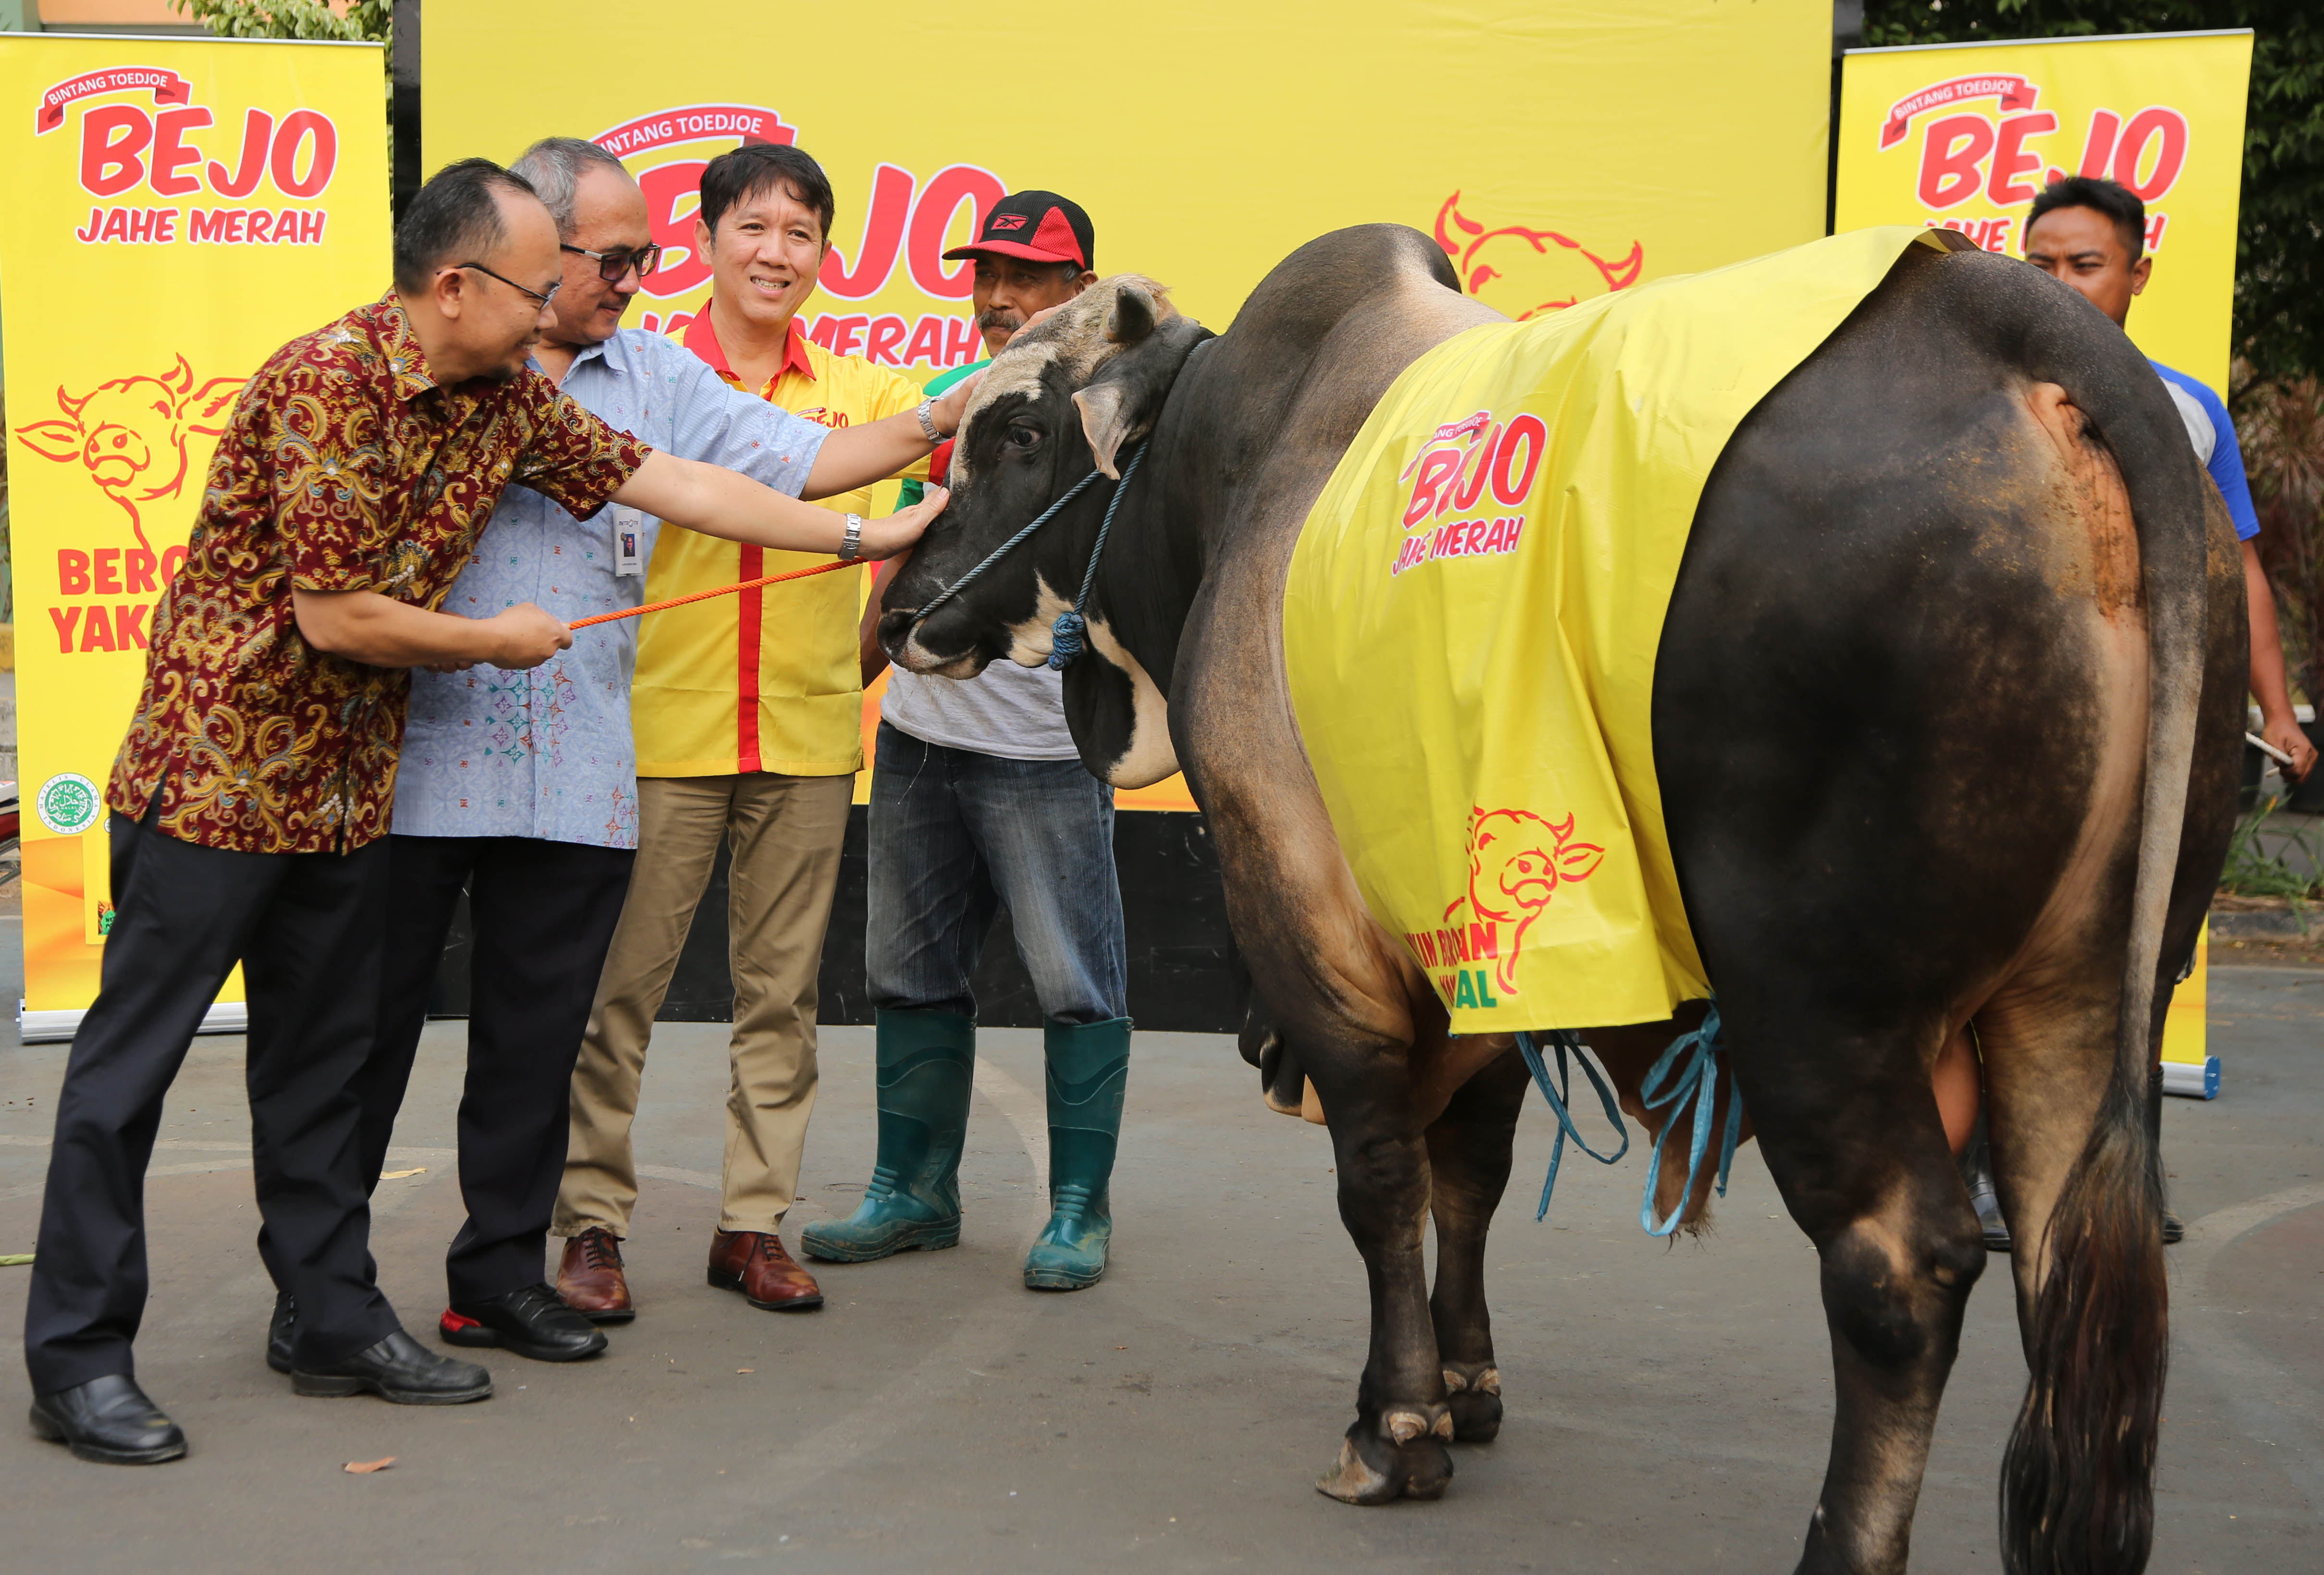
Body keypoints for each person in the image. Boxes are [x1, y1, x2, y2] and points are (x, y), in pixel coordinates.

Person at [21, 156, 939, 1466]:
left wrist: (871, 538)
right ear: (458, 285)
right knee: (128, 1076)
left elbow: (677, 484)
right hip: (219, 783)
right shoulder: (324, 383)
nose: (573, 302)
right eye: (541, 280)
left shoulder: (508, 400)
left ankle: (332, 1316)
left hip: (345, 792)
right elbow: (336, 615)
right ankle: (79, 1357)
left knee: (318, 1074)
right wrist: (492, 638)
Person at [304, 139, 969, 1372]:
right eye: (614, 258)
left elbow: (733, 482)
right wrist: (479, 639)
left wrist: (900, 485)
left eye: (639, 257)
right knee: (380, 1038)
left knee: (534, 1038)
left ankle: (507, 1276)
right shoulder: (399, 377)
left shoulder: (634, 382)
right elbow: (330, 596)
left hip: (581, 772)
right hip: (428, 760)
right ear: (514, 261)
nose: (631, 278)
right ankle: (333, 1295)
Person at [553, 144, 954, 1320]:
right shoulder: (647, 378)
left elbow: (916, 516)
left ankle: (754, 1224)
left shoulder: (875, 398)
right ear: (707, 239)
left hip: (807, 733)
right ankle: (590, 1224)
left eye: (801, 235)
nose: (777, 254)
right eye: (754, 229)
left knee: (779, 999)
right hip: (656, 732)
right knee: (618, 993)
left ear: (826, 257)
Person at [1945, 172, 2304, 1254]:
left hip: (2162, 731)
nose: (2057, 286)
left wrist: (2278, 714)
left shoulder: (2186, 408)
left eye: (2084, 266)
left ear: (2137, 275)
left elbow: (2235, 570)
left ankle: (2122, 1183)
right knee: (1986, 957)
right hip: (2014, 734)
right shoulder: (1971, 399)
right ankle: (1978, 1180)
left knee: (2144, 957)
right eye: (2038, 265)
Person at [805, 191, 1135, 1292]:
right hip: (917, 740)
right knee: (906, 974)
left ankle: (1078, 1209)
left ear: (1082, 292)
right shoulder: (948, 409)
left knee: (1075, 985)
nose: (999, 297)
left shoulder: (1120, 427)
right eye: (985, 272)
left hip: (1045, 757)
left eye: (1027, 278)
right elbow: (901, 566)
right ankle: (913, 1190)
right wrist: (843, 698)